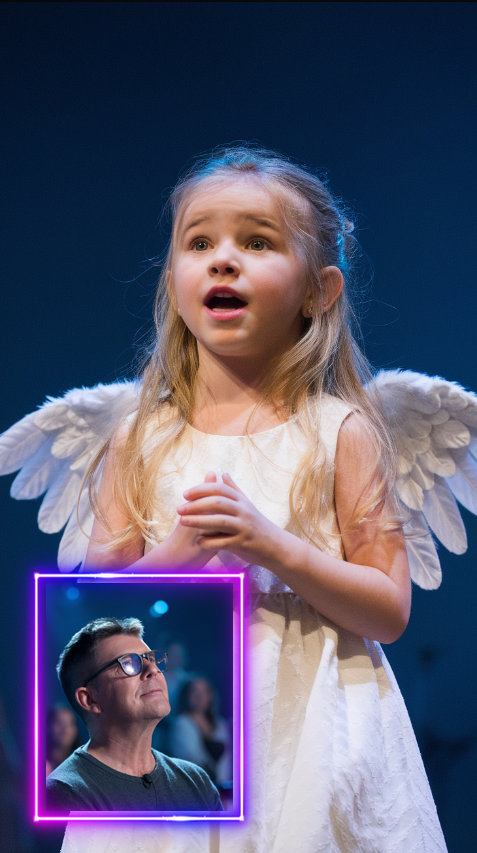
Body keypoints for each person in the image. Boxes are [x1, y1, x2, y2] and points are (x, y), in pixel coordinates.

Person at [4, 145, 470, 850]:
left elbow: (388, 607)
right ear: (173, 283)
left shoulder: (340, 431)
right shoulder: (139, 439)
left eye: (256, 242)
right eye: (200, 243)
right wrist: (174, 557)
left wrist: (274, 547)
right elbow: (97, 607)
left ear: (318, 290)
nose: (223, 259)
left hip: (313, 730)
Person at [46, 617, 223, 813]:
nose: (153, 669)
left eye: (151, 659)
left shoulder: (196, 782)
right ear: (90, 699)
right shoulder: (65, 794)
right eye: (129, 663)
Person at [171, 677, 232, 788]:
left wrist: (222, 784)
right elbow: (192, 758)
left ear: (211, 695)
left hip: (220, 788)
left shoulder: (220, 725)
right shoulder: (181, 724)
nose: (200, 696)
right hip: (193, 786)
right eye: (194, 691)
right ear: (186, 696)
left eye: (204, 691)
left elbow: (226, 762)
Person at [46, 704, 82, 777]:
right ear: (47, 727)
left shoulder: (83, 764)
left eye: (70, 724)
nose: (65, 730)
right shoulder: (37, 766)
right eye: (59, 723)